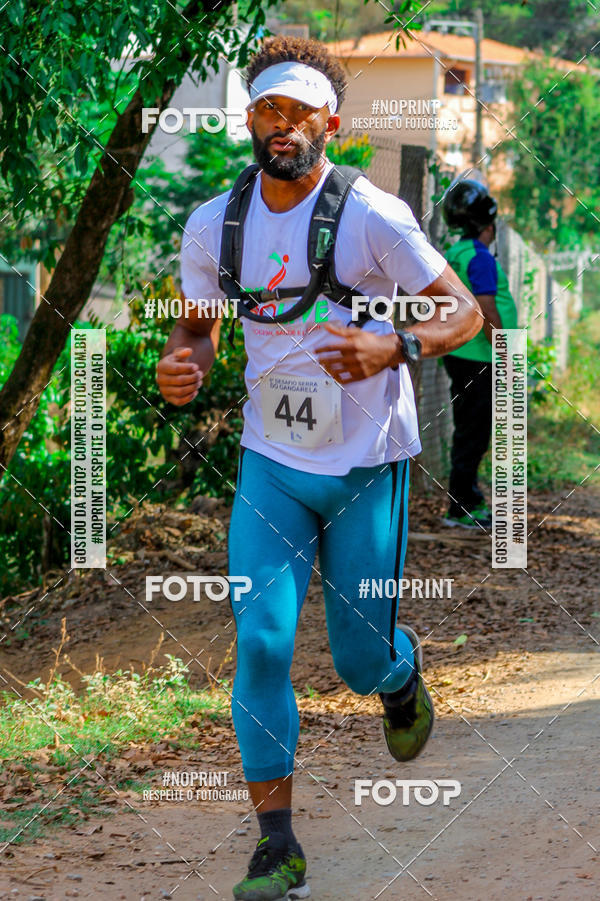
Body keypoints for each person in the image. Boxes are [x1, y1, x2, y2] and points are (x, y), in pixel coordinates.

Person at [157, 35, 481, 901]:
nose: (282, 125)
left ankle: (399, 675)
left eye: (299, 111)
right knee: (260, 645)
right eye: (267, 110)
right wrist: (180, 361)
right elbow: (196, 326)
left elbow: (463, 313)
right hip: (272, 465)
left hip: (366, 465)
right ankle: (277, 848)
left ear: (329, 122)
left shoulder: (375, 216)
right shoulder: (213, 223)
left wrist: (393, 344)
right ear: (249, 120)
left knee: (356, 660)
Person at [441, 180, 519, 530]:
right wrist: (505, 355)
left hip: (462, 353)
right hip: (479, 357)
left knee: (467, 429)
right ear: (490, 226)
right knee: (473, 431)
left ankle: (463, 500)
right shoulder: (481, 259)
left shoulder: (456, 254)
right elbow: (486, 309)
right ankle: (463, 507)